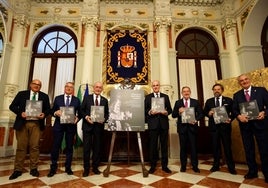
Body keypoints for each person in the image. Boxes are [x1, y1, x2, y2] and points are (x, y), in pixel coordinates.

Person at [9, 79, 50, 180]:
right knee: (21, 147)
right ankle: (18, 169)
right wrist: (20, 113)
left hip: (36, 124)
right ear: (31, 84)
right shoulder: (22, 94)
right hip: (22, 123)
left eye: (39, 85)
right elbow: (12, 106)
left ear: (40, 87)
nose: (36, 86)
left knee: (34, 147)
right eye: (35, 84)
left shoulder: (44, 96)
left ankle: (34, 168)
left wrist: (44, 114)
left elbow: (48, 109)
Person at [232, 74, 268, 183]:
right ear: (239, 83)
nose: (244, 81)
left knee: (265, 149)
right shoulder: (237, 95)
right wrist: (239, 116)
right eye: (241, 81)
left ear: (249, 80)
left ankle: (267, 173)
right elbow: (234, 110)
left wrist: (264, 113)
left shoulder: (261, 90)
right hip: (245, 126)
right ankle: (252, 171)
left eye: (246, 79)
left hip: (261, 125)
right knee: (248, 149)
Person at [47, 82, 81, 177]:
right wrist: (55, 113)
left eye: (71, 87)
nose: (69, 88)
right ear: (64, 88)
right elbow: (51, 110)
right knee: (55, 147)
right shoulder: (58, 98)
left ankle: (68, 168)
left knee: (69, 147)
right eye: (67, 86)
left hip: (71, 126)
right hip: (59, 126)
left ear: (73, 89)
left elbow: (80, 112)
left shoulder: (77, 100)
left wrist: (77, 118)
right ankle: (53, 168)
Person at [203, 83, 237, 174]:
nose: (216, 91)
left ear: (222, 90)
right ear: (213, 91)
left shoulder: (229, 100)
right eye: (215, 89)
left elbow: (234, 112)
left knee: (227, 147)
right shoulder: (209, 101)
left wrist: (230, 119)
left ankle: (231, 167)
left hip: (225, 127)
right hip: (214, 128)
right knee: (215, 147)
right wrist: (209, 113)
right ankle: (216, 165)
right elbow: (204, 112)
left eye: (218, 89)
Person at [172, 86, 203, 173]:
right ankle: (183, 166)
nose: (186, 93)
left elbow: (201, 114)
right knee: (183, 148)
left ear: (190, 92)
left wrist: (195, 120)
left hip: (192, 128)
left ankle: (195, 166)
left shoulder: (195, 102)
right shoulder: (178, 102)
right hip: (182, 129)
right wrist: (179, 112)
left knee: (193, 147)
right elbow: (173, 115)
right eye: (184, 91)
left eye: (187, 91)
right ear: (182, 93)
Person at [80, 81, 109, 177]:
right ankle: (86, 169)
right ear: (93, 88)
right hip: (87, 126)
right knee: (86, 149)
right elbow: (81, 110)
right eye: (96, 87)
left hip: (98, 127)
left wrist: (104, 119)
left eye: (100, 87)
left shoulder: (104, 100)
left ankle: (95, 167)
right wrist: (86, 117)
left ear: (102, 89)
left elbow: (107, 113)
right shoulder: (87, 98)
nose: (98, 89)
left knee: (97, 148)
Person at [144, 80, 172, 174]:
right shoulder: (148, 97)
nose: (155, 87)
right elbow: (145, 110)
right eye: (154, 85)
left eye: (157, 85)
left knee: (164, 146)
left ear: (159, 86)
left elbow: (170, 110)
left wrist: (166, 112)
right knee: (153, 146)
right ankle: (152, 166)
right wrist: (150, 112)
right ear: (152, 87)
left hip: (163, 124)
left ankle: (165, 166)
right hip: (153, 125)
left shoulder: (165, 96)